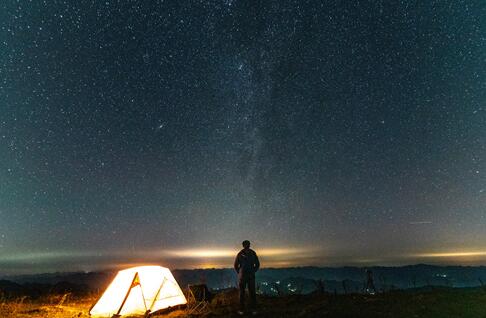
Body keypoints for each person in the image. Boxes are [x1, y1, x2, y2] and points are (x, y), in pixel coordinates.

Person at [234, 240, 260, 315]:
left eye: (247, 244)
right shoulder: (249, 253)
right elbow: (236, 265)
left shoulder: (245, 253)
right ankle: (250, 309)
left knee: (248, 293)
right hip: (246, 276)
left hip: (247, 276)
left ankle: (244, 310)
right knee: (247, 293)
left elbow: (236, 265)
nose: (247, 245)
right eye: (246, 244)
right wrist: (241, 272)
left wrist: (240, 272)